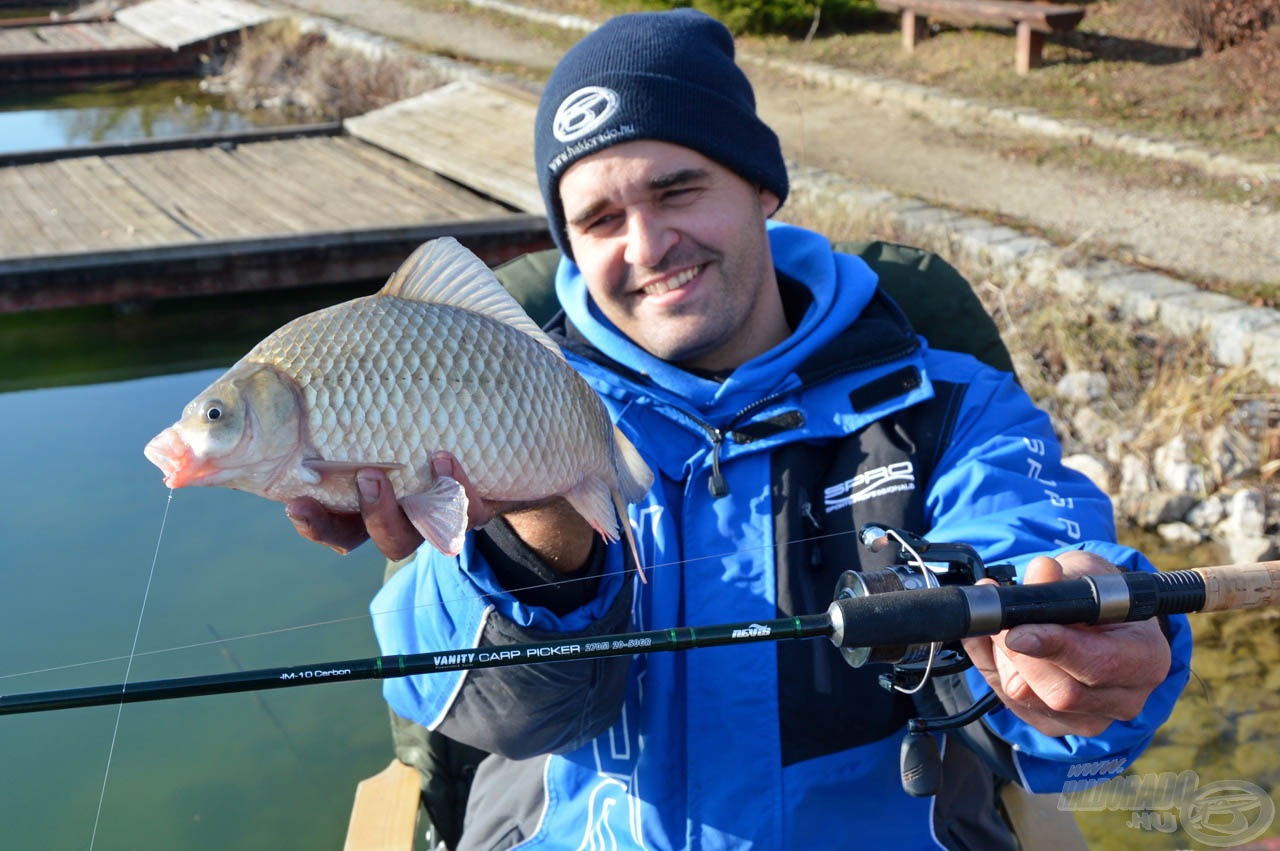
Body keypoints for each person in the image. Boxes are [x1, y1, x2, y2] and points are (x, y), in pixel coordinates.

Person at [286, 9, 1192, 850]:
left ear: (762, 185)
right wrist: (541, 536)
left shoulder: (951, 404)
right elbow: (493, 714)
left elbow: (1034, 559)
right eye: (599, 218)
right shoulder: (482, 399)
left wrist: (1092, 646)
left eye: (678, 190)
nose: (646, 245)